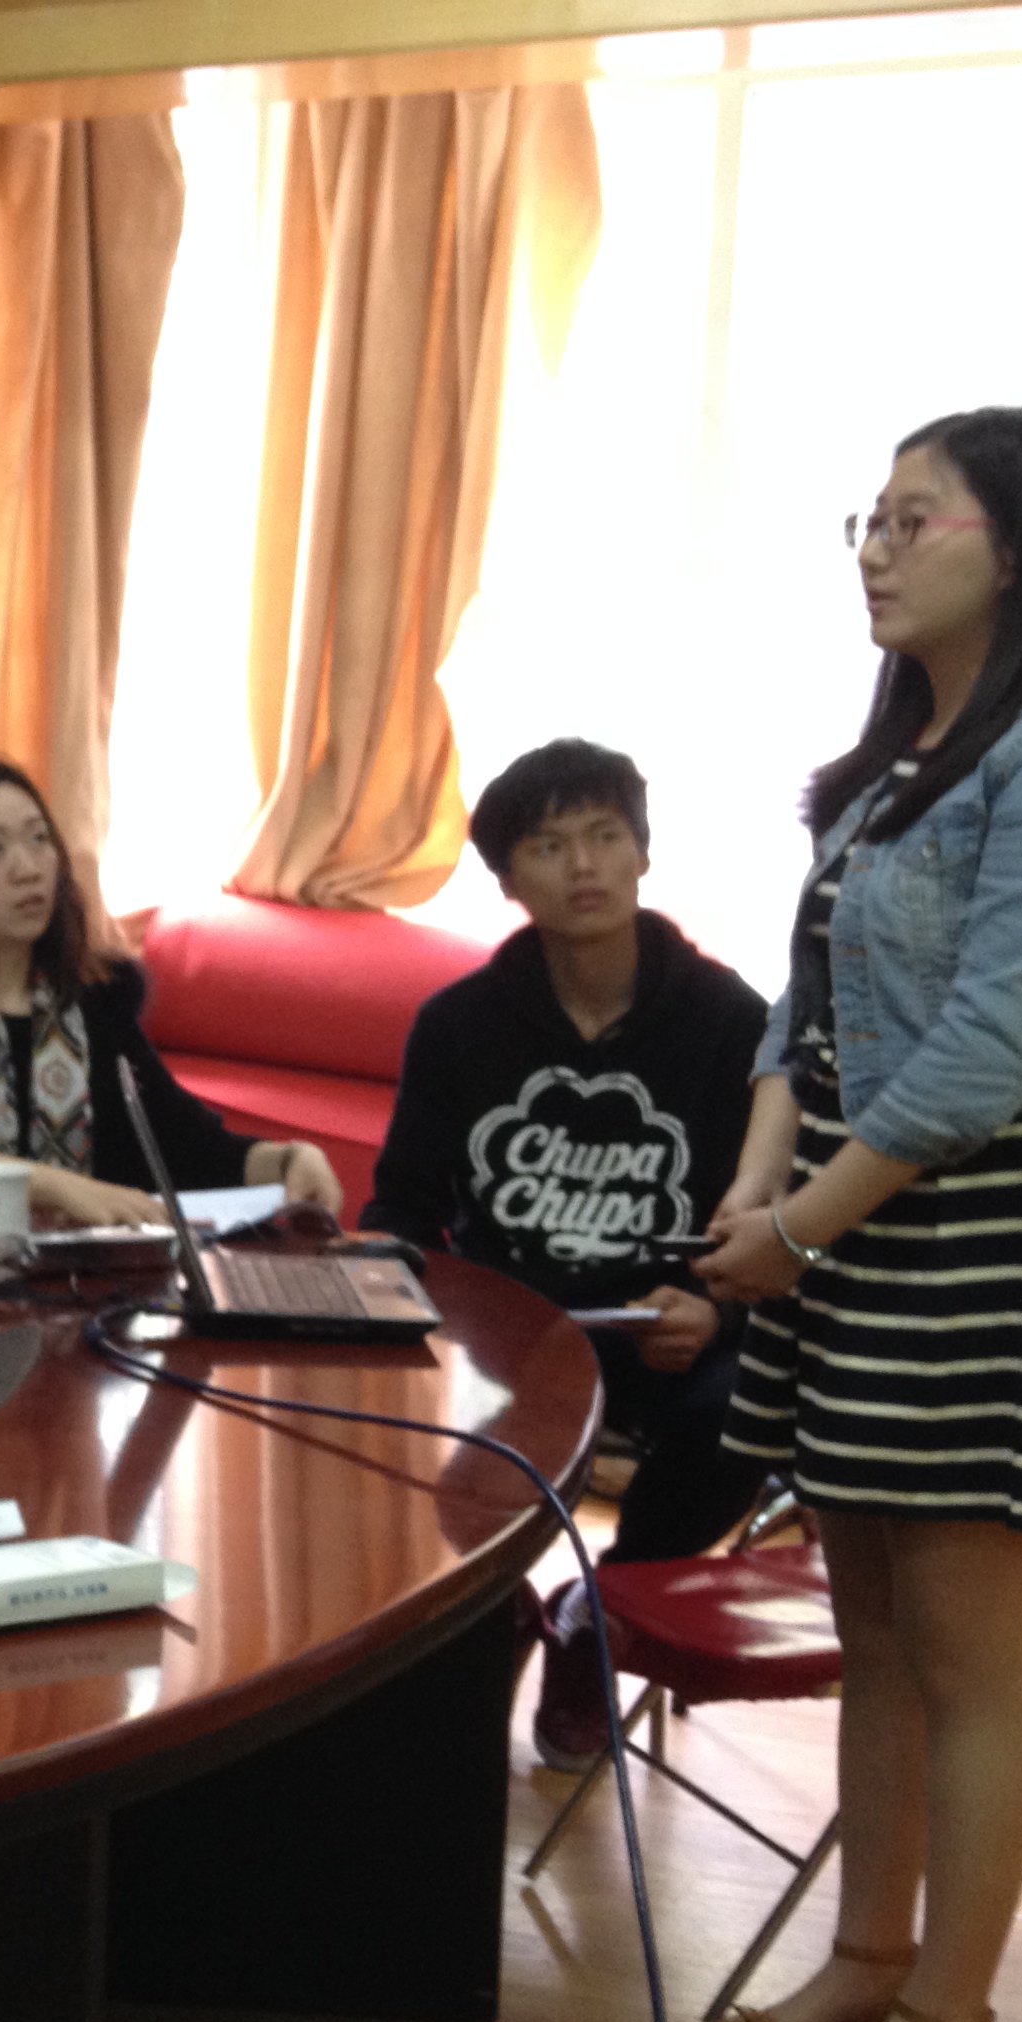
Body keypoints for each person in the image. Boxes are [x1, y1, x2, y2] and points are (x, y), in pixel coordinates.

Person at [694, 407, 1022, 2022]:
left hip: (984, 1225)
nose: (875, 551)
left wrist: (798, 1226)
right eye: (865, 521)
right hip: (855, 1220)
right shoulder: (893, 768)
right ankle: (868, 1958)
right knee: (871, 1630)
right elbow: (794, 1011)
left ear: (1014, 549)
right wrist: (758, 1179)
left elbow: (981, 1053)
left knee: (962, 1647)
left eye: (913, 518)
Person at [362, 738, 769, 1771]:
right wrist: (390, 1292)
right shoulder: (456, 1026)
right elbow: (403, 1208)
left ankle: (603, 1614)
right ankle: (488, 1606)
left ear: (643, 853)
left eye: (604, 836)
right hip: (508, 1331)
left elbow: (763, 1213)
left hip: (665, 1325)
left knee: (746, 1410)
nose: (583, 865)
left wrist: (715, 1307)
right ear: (507, 881)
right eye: (548, 846)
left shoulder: (732, 1023)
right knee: (390, 1407)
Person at [0, 757, 338, 1231]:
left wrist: (289, 1159)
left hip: (68, 1281)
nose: (28, 868)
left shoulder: (95, 1005)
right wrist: (55, 1188)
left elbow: (185, 1144)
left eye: (39, 840)